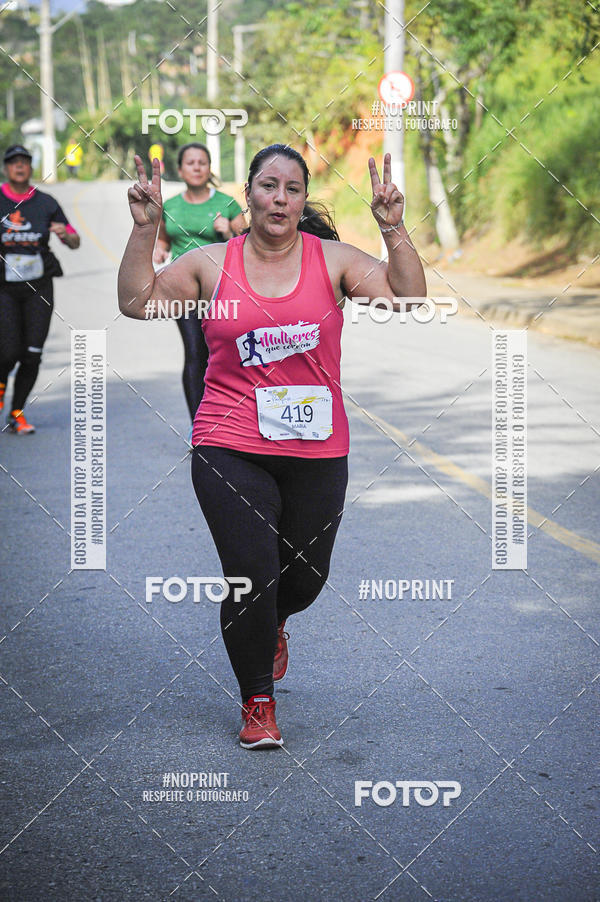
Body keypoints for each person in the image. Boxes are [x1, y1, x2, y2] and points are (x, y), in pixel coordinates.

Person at [118, 143, 426, 749]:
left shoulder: (333, 260)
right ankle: (258, 699)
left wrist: (393, 229)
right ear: (250, 194)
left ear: (303, 199)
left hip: (315, 449)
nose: (279, 198)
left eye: (292, 188)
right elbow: (137, 302)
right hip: (228, 443)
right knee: (249, 575)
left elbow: (410, 299)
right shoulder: (210, 264)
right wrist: (143, 229)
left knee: (304, 581)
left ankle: (277, 620)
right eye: (267, 186)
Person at [153, 142, 246, 420]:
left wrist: (229, 231)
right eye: (190, 163)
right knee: (195, 351)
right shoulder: (170, 206)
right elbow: (163, 239)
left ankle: (231, 418)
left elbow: (249, 246)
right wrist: (159, 249)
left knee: (224, 353)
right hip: (185, 291)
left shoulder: (226, 204)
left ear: (209, 168)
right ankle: (200, 425)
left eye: (202, 162)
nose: (196, 167)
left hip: (222, 289)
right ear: (180, 170)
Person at [0, 144, 81, 434]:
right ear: (7, 168)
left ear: (30, 167)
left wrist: (65, 235)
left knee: (32, 353)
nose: (19, 167)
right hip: (4, 288)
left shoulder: (46, 203)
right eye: (13, 162)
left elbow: (75, 240)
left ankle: (17, 411)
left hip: (39, 287)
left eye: (24, 162)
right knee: (7, 353)